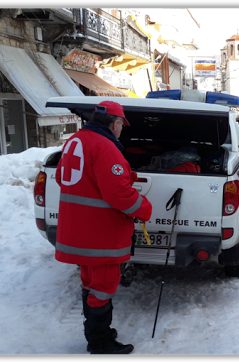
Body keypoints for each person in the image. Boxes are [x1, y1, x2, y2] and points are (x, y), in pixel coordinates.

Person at [55, 100, 152, 354]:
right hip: (101, 235)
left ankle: (98, 334)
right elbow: (119, 194)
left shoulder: (75, 141)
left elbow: (60, 177)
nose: (121, 131)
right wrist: (144, 209)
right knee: (103, 286)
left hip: (78, 231)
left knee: (90, 283)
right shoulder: (105, 146)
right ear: (116, 123)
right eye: (121, 126)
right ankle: (100, 344)